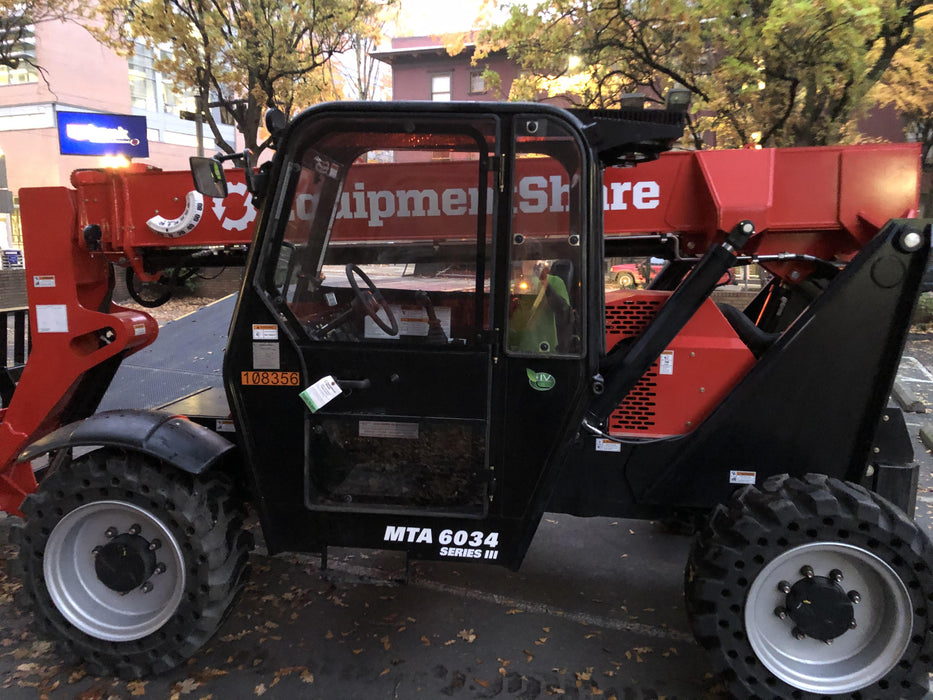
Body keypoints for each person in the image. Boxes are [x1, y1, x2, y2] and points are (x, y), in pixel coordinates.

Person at [508, 259, 571, 353]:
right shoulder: (512, 284)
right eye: (524, 259)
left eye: (532, 258)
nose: (527, 262)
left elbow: (564, 312)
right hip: (513, 348)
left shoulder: (554, 282)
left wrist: (545, 283)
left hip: (544, 350)